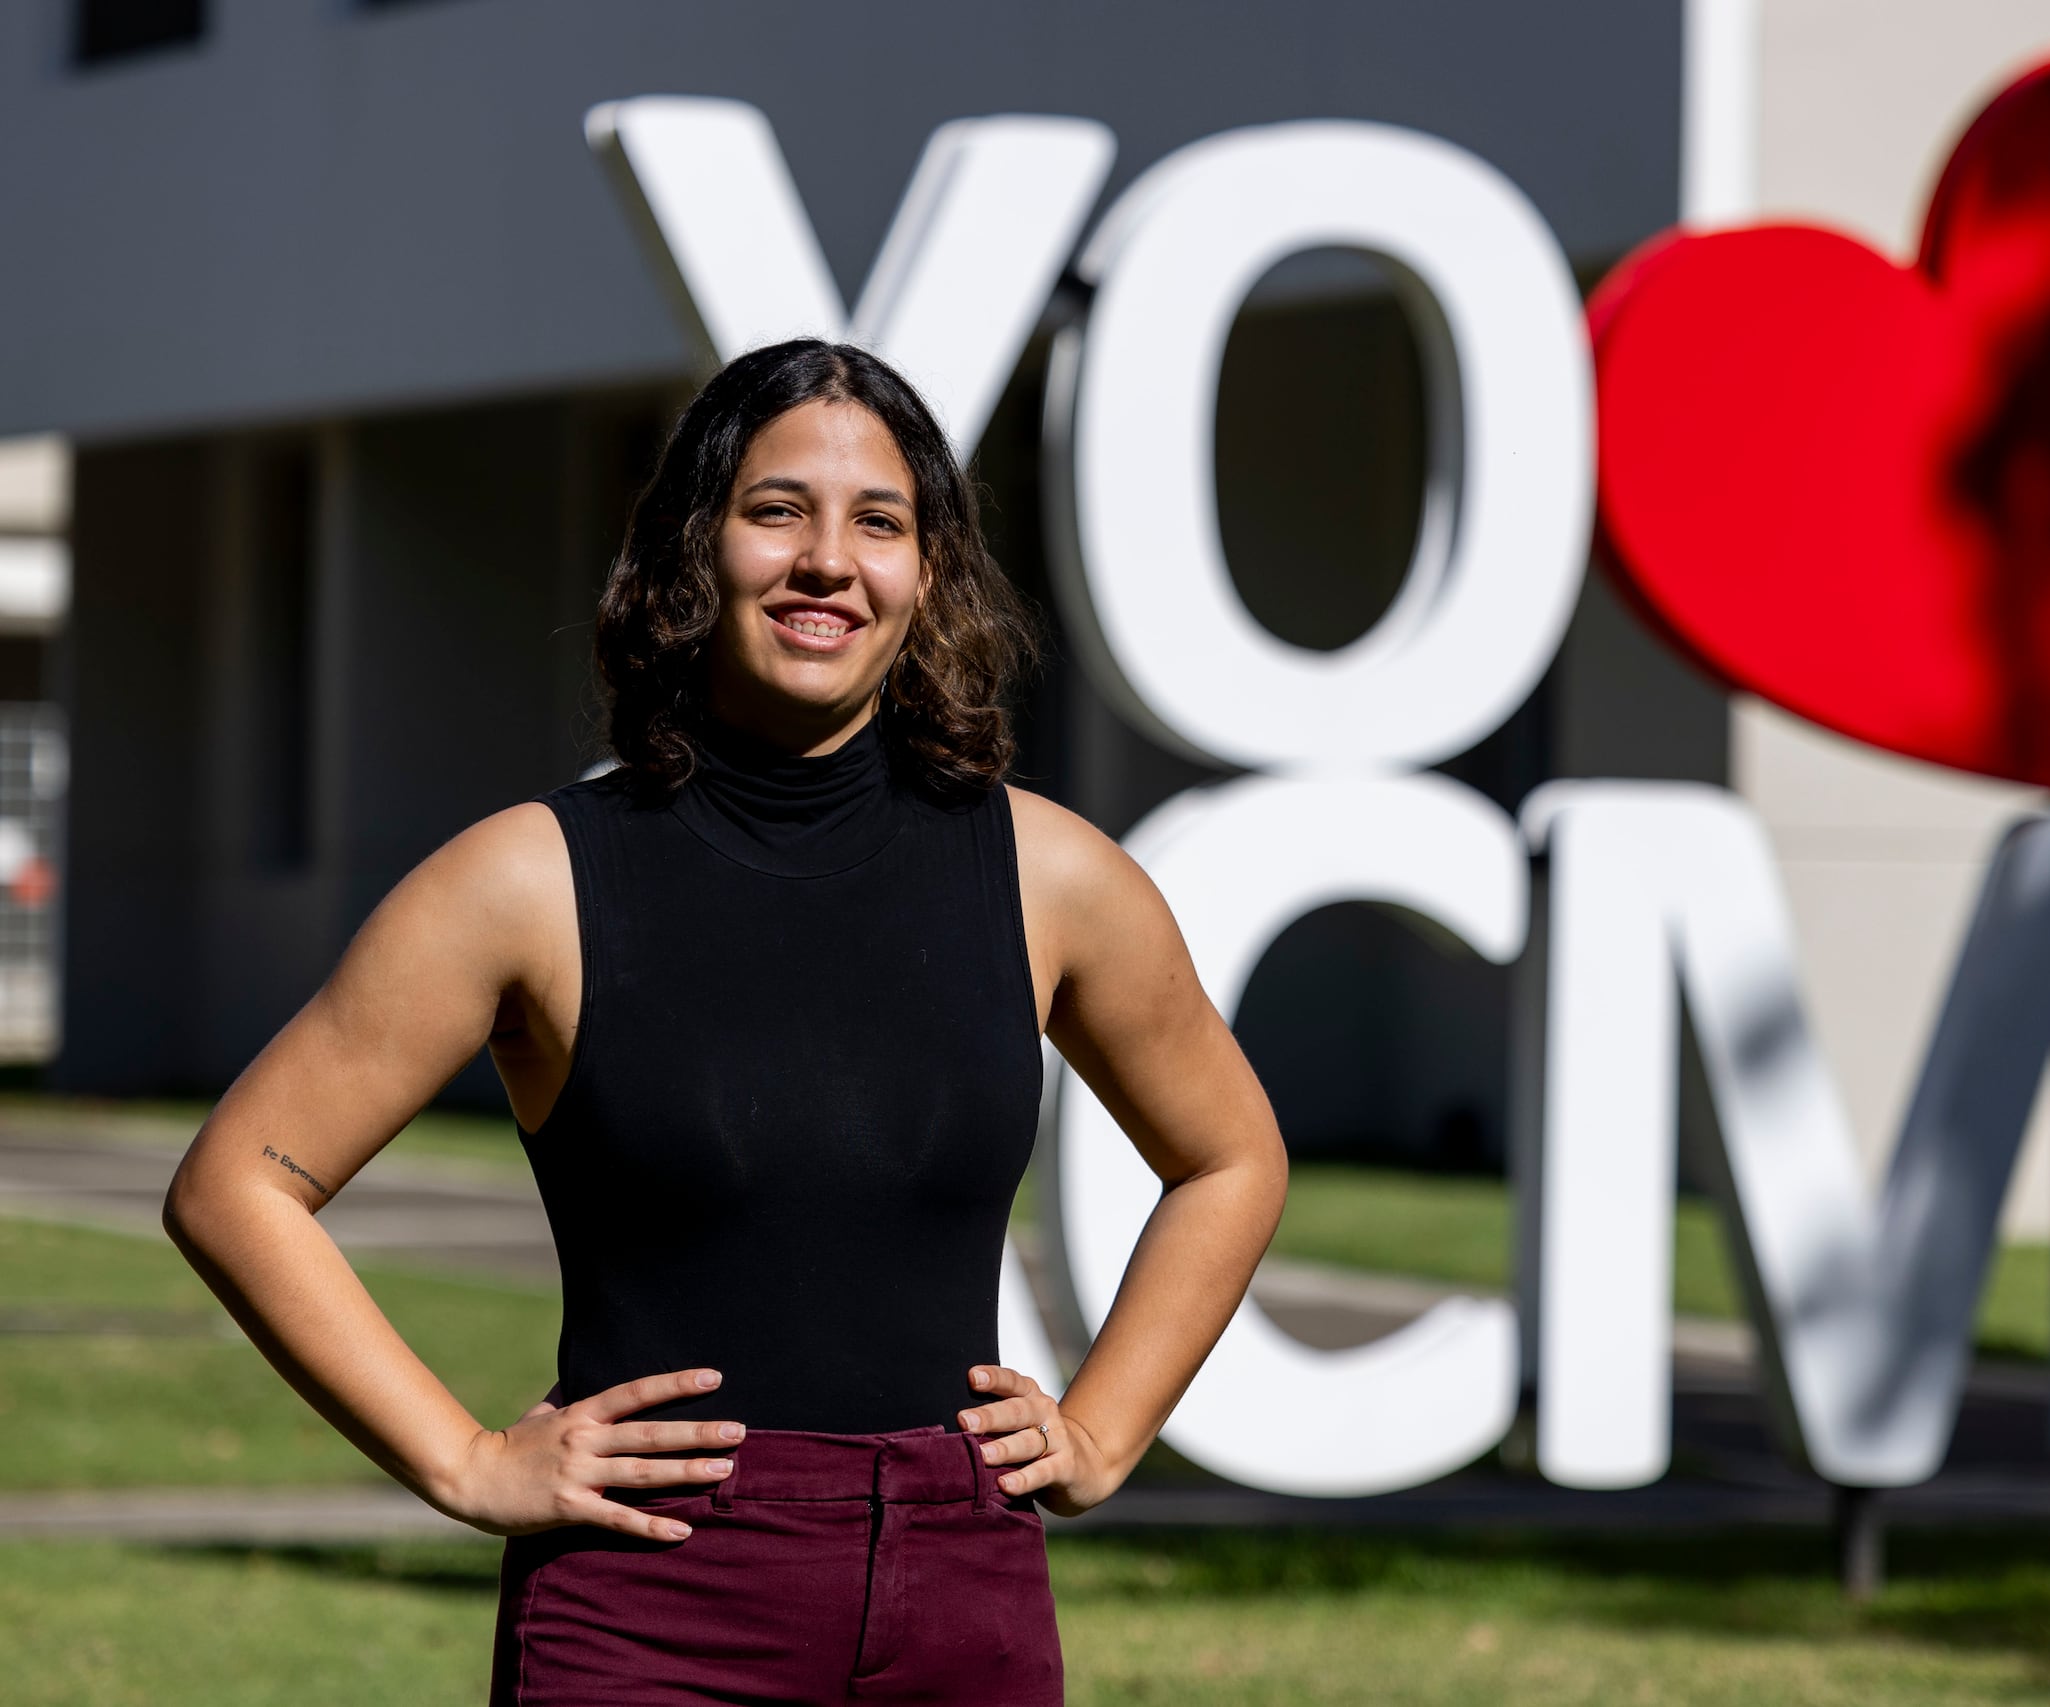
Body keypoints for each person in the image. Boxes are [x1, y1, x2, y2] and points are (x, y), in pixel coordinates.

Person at [162, 339, 1290, 1705]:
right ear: (694, 551)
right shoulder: (529, 880)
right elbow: (240, 1185)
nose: (829, 560)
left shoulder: (1052, 876)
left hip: (961, 1589)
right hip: (652, 1599)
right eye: (777, 511)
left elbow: (1230, 1157)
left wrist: (1106, 1432)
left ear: (927, 575)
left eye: (880, 522)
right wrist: (463, 1461)